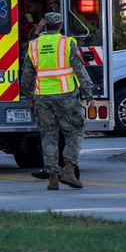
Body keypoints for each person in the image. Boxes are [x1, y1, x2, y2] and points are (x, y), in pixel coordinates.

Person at [19, 12, 93, 190]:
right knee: (74, 132)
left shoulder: (34, 45)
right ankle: (68, 170)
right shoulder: (67, 43)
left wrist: (29, 96)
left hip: (43, 97)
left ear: (45, 26)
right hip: (66, 95)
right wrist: (88, 93)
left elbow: (27, 75)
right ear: (60, 26)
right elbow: (80, 70)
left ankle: (52, 176)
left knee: (48, 135)